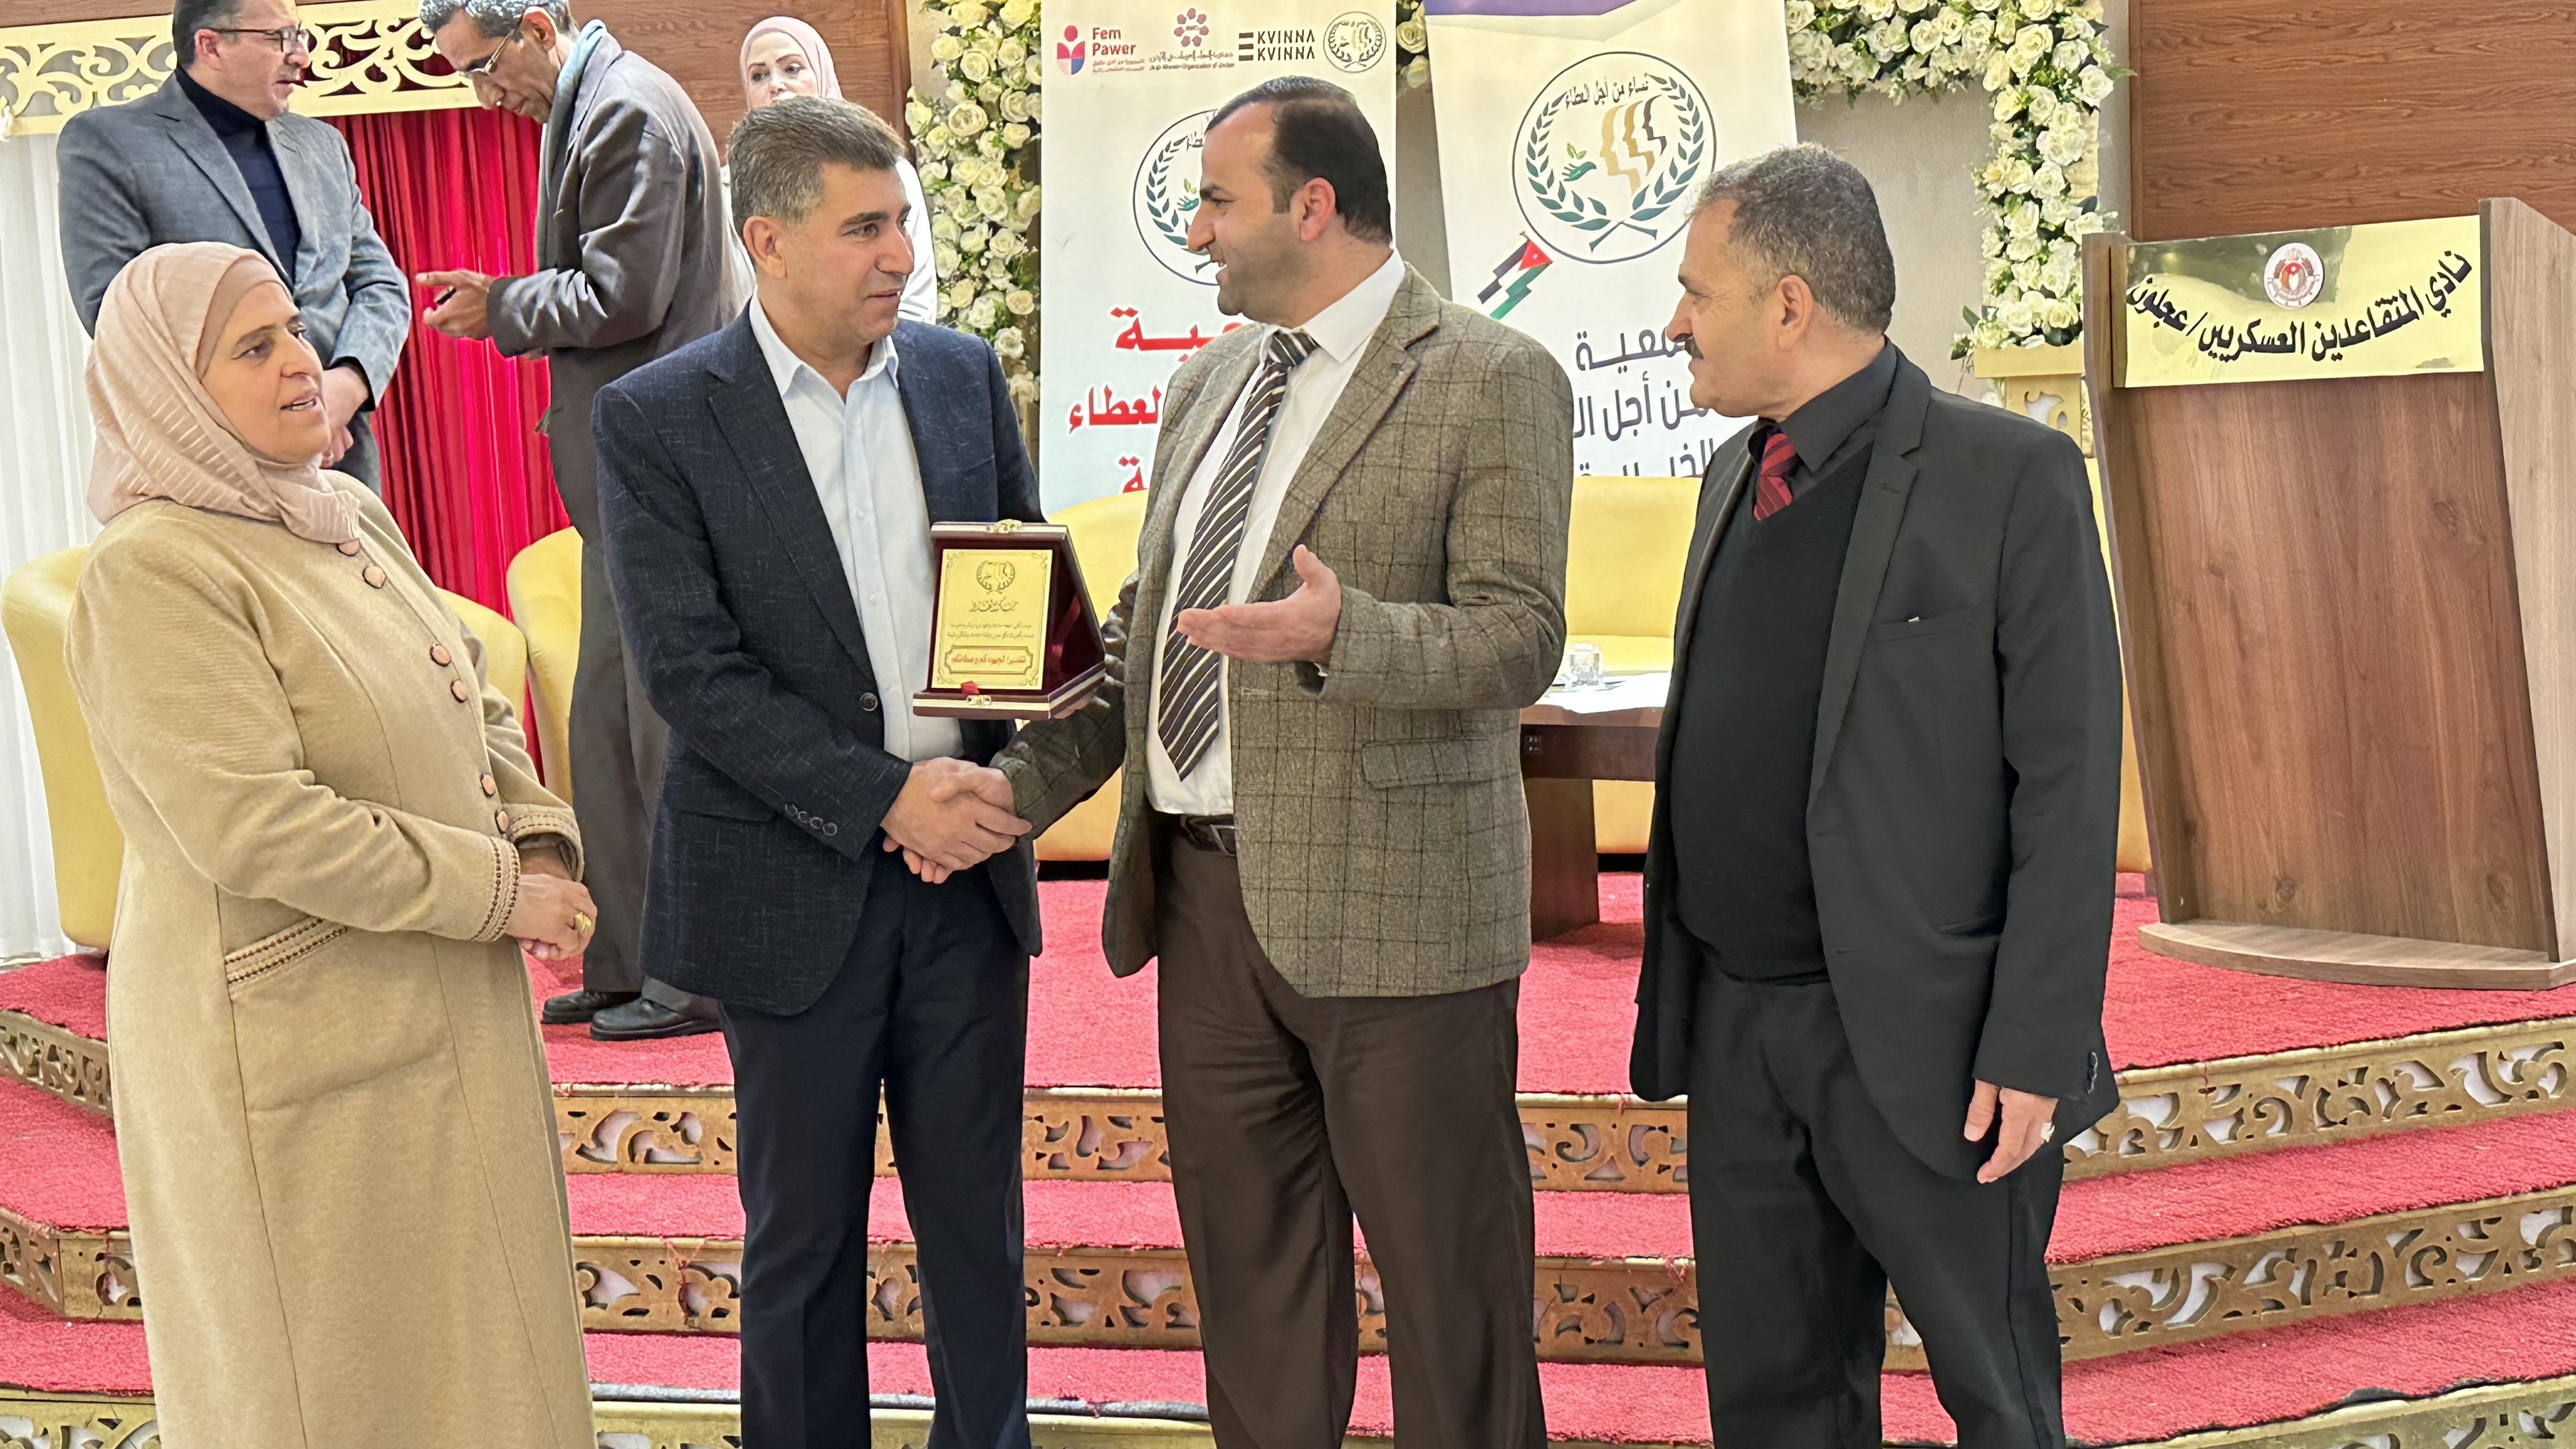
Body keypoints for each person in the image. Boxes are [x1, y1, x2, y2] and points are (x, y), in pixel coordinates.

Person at [984, 75, 1570, 1449]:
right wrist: (1013, 790)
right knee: (1252, 1300)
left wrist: (1342, 633)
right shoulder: (1204, 382)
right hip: (1202, 907)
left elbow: (1519, 637)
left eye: (1217, 201)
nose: (1196, 230)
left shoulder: (1492, 375)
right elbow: (1147, 634)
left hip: (1404, 920)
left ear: (1313, 206)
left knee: (1453, 1298)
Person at [1628, 144, 2122, 1448]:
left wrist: (2035, 1042)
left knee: (1999, 1403)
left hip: (1930, 1043)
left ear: (1788, 304)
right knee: (1775, 1406)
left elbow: (2068, 784)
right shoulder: (1734, 474)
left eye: (1697, 292)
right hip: (1738, 1029)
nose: (1675, 323)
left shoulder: (2008, 476)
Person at [64, 241, 597, 1447]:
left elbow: (469, 693)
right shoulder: (154, 568)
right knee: (339, 1393)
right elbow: (254, 823)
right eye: (253, 348)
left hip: (440, 1009)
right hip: (294, 1062)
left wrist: (537, 843)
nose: (302, 362)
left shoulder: (341, 509)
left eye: (296, 332)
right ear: (169, 388)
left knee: (488, 1373)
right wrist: (495, 890)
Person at [593, 97, 1041, 1448]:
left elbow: (1020, 601)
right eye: (863, 228)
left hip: (967, 883)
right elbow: (691, 670)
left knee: (979, 1232)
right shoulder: (659, 415)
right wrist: (886, 797)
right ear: (769, 240)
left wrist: (999, 789)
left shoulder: (959, 375)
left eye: (901, 220)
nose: (898, 252)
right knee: (802, 1242)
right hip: (786, 886)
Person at [417, 0, 736, 1039]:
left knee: (662, 733)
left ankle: (694, 973)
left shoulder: (627, 107)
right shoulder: (594, 102)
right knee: (604, 729)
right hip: (630, 474)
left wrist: (501, 307)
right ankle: (627, 958)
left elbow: (625, 295)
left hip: (669, 469)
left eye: (482, 66)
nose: (484, 95)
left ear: (536, 27)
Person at [56, 0, 409, 487]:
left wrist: (347, 384)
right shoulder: (109, 141)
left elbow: (380, 284)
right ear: (211, 46)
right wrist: (279, 406)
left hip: (338, 450)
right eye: (280, 39)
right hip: (210, 462)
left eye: (301, 36)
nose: (301, 56)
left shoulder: (322, 144)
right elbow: (116, 314)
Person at [733, 15, 938, 323]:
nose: (775, 85)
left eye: (792, 69)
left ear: (822, 76)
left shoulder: (886, 172)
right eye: (759, 75)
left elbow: (915, 302)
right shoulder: (729, 188)